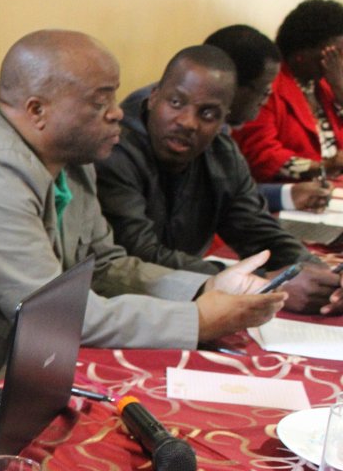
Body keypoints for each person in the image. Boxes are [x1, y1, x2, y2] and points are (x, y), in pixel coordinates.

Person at [0, 30, 284, 386]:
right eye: (100, 102)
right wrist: (197, 320)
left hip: (2, 374)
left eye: (114, 99)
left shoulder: (71, 158)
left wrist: (202, 288)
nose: (118, 113)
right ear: (37, 110)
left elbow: (105, 266)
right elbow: (56, 316)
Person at [94, 45, 343, 315]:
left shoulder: (222, 153)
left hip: (185, 301)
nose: (188, 122)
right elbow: (140, 253)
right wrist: (260, 282)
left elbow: (256, 229)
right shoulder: (114, 151)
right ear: (154, 97)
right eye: (176, 103)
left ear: (225, 119)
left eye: (208, 114)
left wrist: (316, 272)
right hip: (122, 306)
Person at [205, 24, 333, 212]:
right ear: (230, 84)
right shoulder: (194, 134)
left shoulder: (221, 130)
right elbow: (216, 200)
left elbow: (232, 193)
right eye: (264, 89)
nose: (266, 97)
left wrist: (289, 195)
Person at [234, 0, 343, 183]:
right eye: (335, 54)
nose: (339, 63)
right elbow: (262, 156)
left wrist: (340, 91)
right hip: (294, 191)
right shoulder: (268, 87)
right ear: (301, 53)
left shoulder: (329, 85)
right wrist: (322, 168)